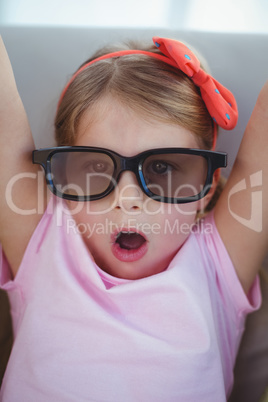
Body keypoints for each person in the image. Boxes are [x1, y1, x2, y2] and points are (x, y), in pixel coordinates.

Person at [0, 34, 267, 401]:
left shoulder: (216, 268)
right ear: (63, 175)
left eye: (161, 167)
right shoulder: (43, 243)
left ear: (208, 186)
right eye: (96, 166)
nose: (128, 198)